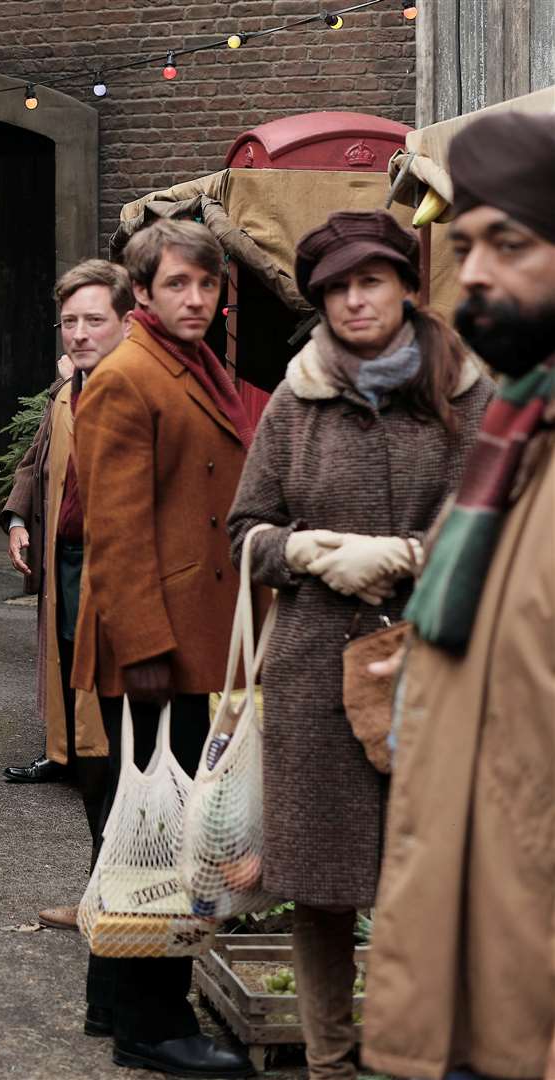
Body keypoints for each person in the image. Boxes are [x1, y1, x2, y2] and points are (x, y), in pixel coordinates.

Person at [227, 210, 492, 1080]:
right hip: (315, 669)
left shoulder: (470, 391)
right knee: (324, 886)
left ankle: (426, 1050)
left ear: (406, 285)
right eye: (336, 287)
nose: (354, 299)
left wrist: (412, 556)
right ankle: (330, 1059)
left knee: (440, 877)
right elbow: (245, 530)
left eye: (369, 280)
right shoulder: (296, 399)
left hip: (441, 662)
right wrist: (300, 551)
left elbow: (502, 519)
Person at [361, 109, 555, 1080]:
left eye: (509, 244)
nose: (472, 272)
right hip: (468, 971)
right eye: (466, 243)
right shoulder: (513, 438)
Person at [72, 219, 258, 1078]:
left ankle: (115, 1004)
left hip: (192, 634)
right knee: (167, 833)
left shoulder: (193, 367)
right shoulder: (129, 375)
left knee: (139, 823)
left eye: (207, 285)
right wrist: (143, 646)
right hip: (159, 645)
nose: (196, 298)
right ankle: (154, 1024)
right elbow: (113, 529)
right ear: (140, 293)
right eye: (177, 284)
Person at [0, 259, 132, 932]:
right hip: (69, 569)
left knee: (112, 738)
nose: (79, 333)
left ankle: (119, 893)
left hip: (123, 585)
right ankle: (99, 887)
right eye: (71, 321)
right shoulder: (70, 389)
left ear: (127, 322)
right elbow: (38, 459)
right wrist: (21, 517)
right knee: (86, 740)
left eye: (94, 320)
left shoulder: (135, 391)